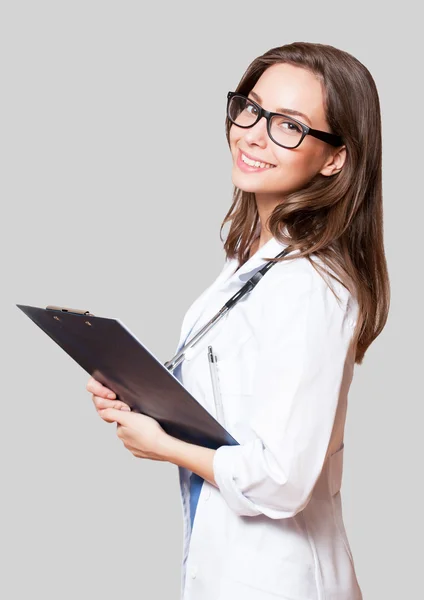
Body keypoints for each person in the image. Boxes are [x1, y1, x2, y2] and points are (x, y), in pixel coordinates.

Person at [86, 41, 389, 600]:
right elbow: (241, 411)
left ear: (335, 158)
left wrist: (163, 445)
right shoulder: (251, 258)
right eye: (250, 108)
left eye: (289, 126)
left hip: (284, 579)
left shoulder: (309, 286)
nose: (253, 133)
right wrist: (143, 399)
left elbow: (283, 480)